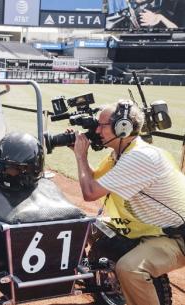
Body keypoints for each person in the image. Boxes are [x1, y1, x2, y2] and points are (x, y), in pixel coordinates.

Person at [72, 100, 185, 305]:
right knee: (89, 226)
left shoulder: (139, 157)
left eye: (102, 125)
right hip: (153, 229)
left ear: (122, 126)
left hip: (178, 237)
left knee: (130, 269)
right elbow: (94, 182)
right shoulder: (119, 155)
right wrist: (80, 154)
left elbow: (89, 192)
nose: (97, 130)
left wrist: (81, 156)